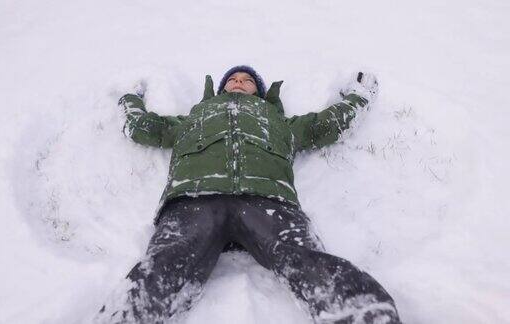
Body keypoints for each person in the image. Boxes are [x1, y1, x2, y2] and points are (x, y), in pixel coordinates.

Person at [95, 66, 401, 324]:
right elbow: (142, 127)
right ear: (220, 89)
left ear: (259, 91)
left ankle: (365, 314)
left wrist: (358, 98)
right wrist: (130, 99)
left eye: (247, 80)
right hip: (195, 197)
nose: (238, 82)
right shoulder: (192, 119)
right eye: (232, 79)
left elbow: (326, 125)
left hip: (267, 200)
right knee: (165, 262)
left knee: (305, 258)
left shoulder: (280, 123)